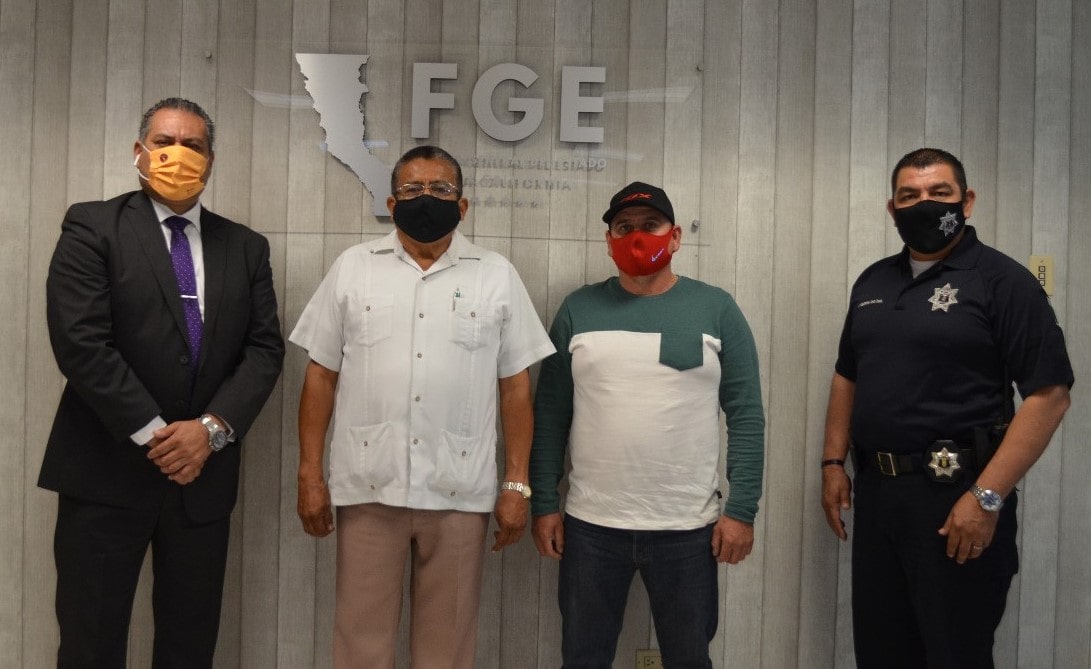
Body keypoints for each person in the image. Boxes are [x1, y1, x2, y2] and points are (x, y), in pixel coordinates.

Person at [39, 97, 285, 668]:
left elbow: (264, 350)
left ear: (210, 160)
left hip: (201, 481)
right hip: (104, 474)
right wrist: (160, 436)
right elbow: (81, 342)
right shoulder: (92, 226)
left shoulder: (245, 247)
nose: (178, 154)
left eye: (193, 145)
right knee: (90, 644)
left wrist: (209, 432)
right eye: (165, 142)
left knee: (189, 647)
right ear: (139, 152)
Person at [290, 145, 554, 668]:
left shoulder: (495, 274)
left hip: (459, 490)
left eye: (440, 189)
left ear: (463, 205)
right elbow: (320, 375)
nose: (426, 198)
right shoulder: (353, 269)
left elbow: (516, 388)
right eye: (412, 189)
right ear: (391, 203)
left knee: (447, 650)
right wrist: (310, 474)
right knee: (360, 645)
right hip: (370, 485)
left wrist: (516, 484)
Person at [820, 148, 1073, 668]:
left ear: (967, 201)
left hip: (958, 498)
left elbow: (1050, 396)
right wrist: (832, 462)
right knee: (882, 652)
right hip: (879, 496)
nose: (924, 204)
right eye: (909, 195)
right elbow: (848, 373)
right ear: (892, 208)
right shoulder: (873, 282)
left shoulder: (1002, 281)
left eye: (939, 193)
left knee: (955, 654)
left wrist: (986, 498)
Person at [530, 182, 766, 668]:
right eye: (624, 228)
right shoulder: (577, 309)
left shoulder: (717, 308)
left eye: (650, 226)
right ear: (609, 240)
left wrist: (742, 510)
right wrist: (544, 503)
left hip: (688, 529)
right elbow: (551, 415)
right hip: (591, 528)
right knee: (582, 658)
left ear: (675, 236)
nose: (637, 237)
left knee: (689, 658)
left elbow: (746, 414)